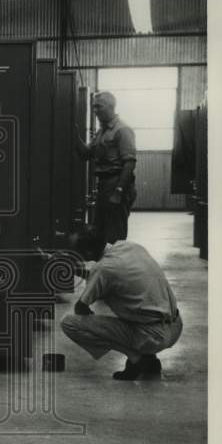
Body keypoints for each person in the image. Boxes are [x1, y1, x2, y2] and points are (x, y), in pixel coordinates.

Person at [60, 225, 182, 381]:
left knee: (70, 323)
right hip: (174, 326)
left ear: (88, 252)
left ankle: (136, 359)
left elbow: (81, 307)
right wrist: (76, 270)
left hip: (153, 336)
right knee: (135, 303)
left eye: (75, 250)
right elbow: (107, 275)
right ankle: (150, 360)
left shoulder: (103, 269)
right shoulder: (130, 246)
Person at [74, 90, 137, 243]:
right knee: (101, 230)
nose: (95, 111)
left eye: (98, 107)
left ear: (110, 106)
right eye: (94, 107)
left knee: (115, 233)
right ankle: (106, 265)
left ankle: (117, 264)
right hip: (104, 184)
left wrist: (119, 191)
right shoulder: (102, 131)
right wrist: (74, 135)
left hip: (117, 183)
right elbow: (86, 154)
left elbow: (129, 163)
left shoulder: (122, 130)